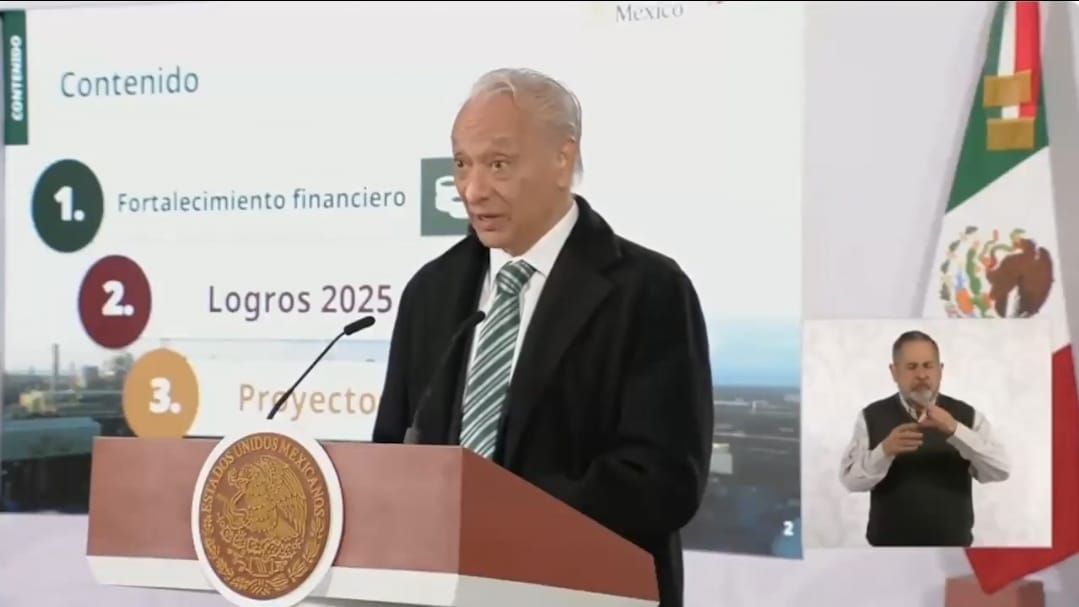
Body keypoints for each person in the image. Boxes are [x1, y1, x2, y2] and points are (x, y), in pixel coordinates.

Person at [372, 67, 714, 606]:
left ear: (562, 158)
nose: (472, 190)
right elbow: (393, 452)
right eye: (462, 164)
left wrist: (497, 516)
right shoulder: (431, 292)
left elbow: (663, 481)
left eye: (499, 164)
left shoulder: (648, 291)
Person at [838, 330, 1010, 547]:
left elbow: (1001, 469)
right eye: (911, 367)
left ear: (940, 370)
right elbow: (850, 482)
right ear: (894, 372)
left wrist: (955, 430)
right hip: (887, 551)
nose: (921, 375)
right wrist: (884, 451)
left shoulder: (968, 416)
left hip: (953, 550)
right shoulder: (870, 416)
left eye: (928, 366)